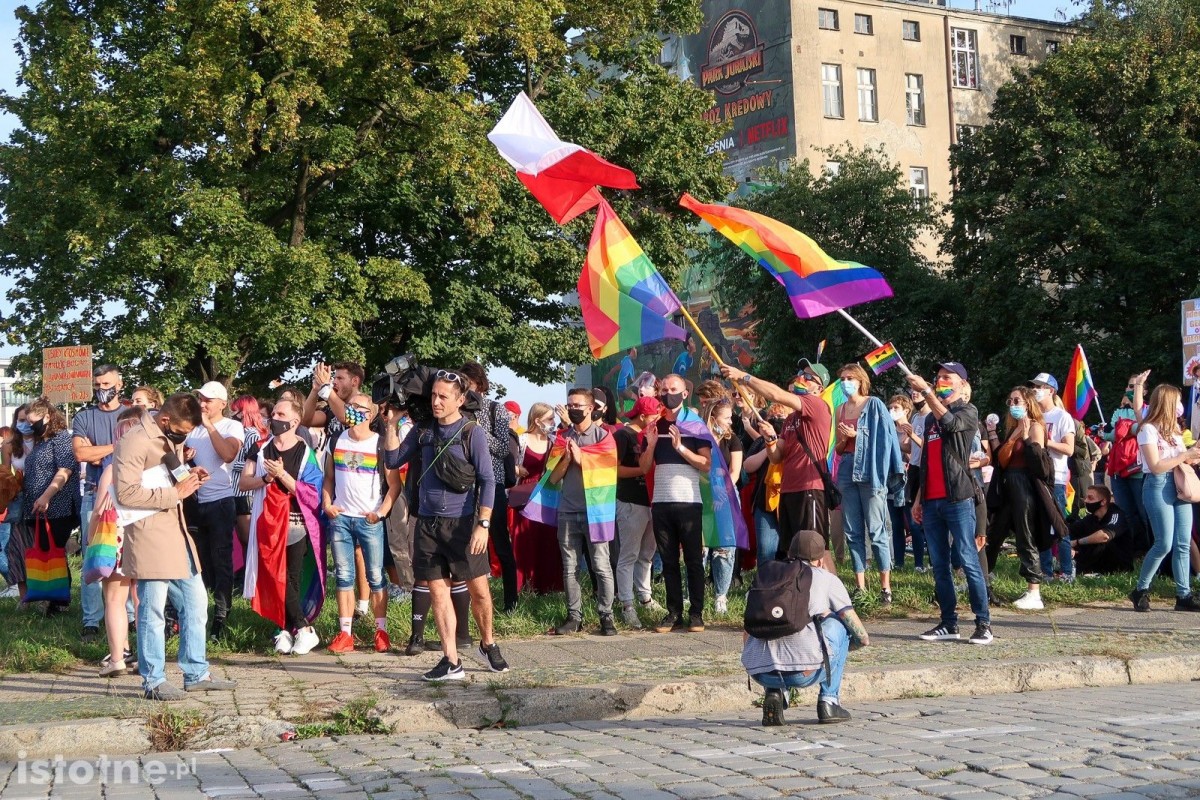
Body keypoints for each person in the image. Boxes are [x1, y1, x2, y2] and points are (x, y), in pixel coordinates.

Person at [383, 370, 509, 680]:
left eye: (444, 397)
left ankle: (488, 643)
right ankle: (451, 660)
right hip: (427, 524)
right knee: (438, 592)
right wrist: (389, 424)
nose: (436, 402)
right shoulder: (424, 431)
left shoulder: (471, 432)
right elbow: (393, 459)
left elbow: (488, 480)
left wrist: (483, 524)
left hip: (464, 525)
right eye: (434, 395)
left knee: (480, 591)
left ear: (461, 400)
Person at [116, 393, 236, 701]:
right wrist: (176, 493)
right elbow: (126, 493)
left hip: (177, 532)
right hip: (149, 534)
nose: (183, 437)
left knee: (196, 604)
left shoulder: (170, 438)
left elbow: (171, 476)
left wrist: (190, 475)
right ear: (165, 420)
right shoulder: (135, 441)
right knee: (153, 609)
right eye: (181, 430)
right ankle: (153, 681)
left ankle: (196, 674)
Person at [742, 530, 869, 726]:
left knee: (774, 628)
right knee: (838, 624)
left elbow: (748, 627)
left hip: (760, 671)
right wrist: (852, 644)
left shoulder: (768, 576)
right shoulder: (825, 578)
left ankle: (774, 692)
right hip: (804, 673)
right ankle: (829, 702)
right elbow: (856, 629)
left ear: (790, 554)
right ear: (820, 560)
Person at [908, 363, 993, 645]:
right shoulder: (930, 420)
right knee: (939, 565)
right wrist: (919, 499)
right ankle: (948, 623)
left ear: (962, 385)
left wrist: (927, 392)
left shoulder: (967, 412)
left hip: (958, 498)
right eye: (938, 378)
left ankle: (983, 623)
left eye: (948, 378)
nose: (941, 381)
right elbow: (927, 463)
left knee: (968, 560)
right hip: (932, 502)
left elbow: (952, 425)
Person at [721, 359, 834, 568]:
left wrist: (743, 376)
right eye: (801, 372)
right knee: (794, 551)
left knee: (816, 551)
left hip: (809, 488)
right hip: (789, 489)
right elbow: (776, 456)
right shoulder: (792, 419)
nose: (801, 377)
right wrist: (770, 439)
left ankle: (832, 596)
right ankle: (801, 595)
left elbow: (775, 395)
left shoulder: (817, 404)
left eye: (808, 376)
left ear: (820, 387)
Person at [240, 399, 325, 656]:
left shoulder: (304, 452)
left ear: (295, 422)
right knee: (271, 575)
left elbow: (312, 493)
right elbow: (243, 482)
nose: (274, 417)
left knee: (290, 578)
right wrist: (265, 477)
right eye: (273, 412)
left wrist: (282, 475)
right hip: (267, 522)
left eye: (281, 414)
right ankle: (291, 629)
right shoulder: (259, 448)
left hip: (295, 523)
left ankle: (298, 628)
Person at [323, 393, 401, 653]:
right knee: (343, 576)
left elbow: (394, 486)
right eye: (350, 406)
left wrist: (380, 513)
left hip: (369, 520)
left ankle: (382, 632)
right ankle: (345, 634)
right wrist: (327, 503)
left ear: (371, 414)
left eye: (359, 407)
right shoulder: (336, 440)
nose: (353, 410)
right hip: (341, 518)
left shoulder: (379, 444)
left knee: (376, 576)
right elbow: (329, 479)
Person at [639, 374, 711, 633]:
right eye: (664, 389)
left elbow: (706, 464)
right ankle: (673, 612)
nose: (668, 393)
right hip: (661, 501)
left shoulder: (695, 425)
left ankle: (697, 613)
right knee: (668, 560)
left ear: (684, 394)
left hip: (689, 501)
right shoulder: (654, 426)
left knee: (692, 559)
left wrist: (681, 447)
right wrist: (650, 446)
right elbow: (644, 467)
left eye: (674, 389)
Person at [984, 387, 1064, 610]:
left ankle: (1034, 591)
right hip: (1008, 485)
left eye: (1017, 400)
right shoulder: (1013, 428)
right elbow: (1001, 458)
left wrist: (1027, 436)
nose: (1012, 405)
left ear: (1028, 403)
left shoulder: (1036, 427)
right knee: (994, 533)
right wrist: (994, 432)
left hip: (1024, 486)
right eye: (1010, 401)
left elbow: (1039, 463)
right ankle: (982, 578)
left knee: (1025, 536)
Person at [546, 388, 618, 636]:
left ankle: (606, 616)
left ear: (591, 408)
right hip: (568, 510)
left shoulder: (604, 437)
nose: (573, 409)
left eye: (577, 405)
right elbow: (553, 478)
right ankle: (574, 616)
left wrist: (581, 458)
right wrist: (566, 459)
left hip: (596, 512)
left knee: (601, 565)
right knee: (570, 567)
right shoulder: (561, 437)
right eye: (569, 405)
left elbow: (608, 474)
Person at [832, 364, 903, 602]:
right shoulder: (839, 409)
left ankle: (885, 588)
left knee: (876, 528)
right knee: (852, 530)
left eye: (849, 377)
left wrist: (857, 435)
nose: (845, 382)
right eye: (842, 378)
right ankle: (860, 586)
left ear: (861, 380)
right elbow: (839, 450)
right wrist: (843, 439)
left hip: (871, 469)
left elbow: (886, 438)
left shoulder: (874, 405)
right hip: (847, 468)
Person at [1129, 384, 1200, 612]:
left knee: (1182, 543)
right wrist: (1184, 455)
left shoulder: (1175, 430)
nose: (1181, 406)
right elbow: (1156, 466)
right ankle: (1141, 589)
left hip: (1179, 484)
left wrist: (1192, 457)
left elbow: (1180, 460)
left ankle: (1184, 594)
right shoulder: (1148, 429)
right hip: (1158, 485)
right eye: (1178, 400)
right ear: (1168, 402)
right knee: (1164, 543)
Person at [87, 407, 145, 677]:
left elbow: (99, 510)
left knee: (114, 600)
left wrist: (89, 539)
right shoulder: (152, 469)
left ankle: (117, 659)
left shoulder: (113, 469)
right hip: (146, 538)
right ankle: (144, 656)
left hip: (117, 541)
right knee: (143, 599)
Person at [184, 381, 244, 641]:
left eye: (208, 399)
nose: (203, 404)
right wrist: (185, 458)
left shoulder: (232, 426)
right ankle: (195, 612)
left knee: (221, 560)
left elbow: (228, 454)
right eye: (200, 399)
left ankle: (221, 614)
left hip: (221, 500)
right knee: (196, 561)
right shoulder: (191, 427)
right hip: (193, 501)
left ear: (222, 403)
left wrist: (208, 425)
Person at [72, 365, 126, 641]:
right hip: (94, 493)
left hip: (128, 494)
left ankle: (126, 618)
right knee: (93, 554)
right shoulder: (84, 417)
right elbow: (81, 453)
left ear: (119, 384)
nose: (101, 390)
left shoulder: (130, 416)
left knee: (125, 558)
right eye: (97, 385)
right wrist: (117, 447)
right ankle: (91, 621)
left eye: (106, 384)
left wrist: (99, 451)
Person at [458, 362, 517, 613]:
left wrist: (478, 431)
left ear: (479, 384)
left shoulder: (496, 410)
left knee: (500, 544)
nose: (466, 390)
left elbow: (504, 448)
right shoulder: (457, 410)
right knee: (465, 547)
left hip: (492, 486)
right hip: (464, 488)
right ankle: (471, 603)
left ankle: (511, 601)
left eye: (468, 384)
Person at [23, 398, 79, 617]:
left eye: (33, 422)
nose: (30, 426)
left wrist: (46, 496)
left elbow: (65, 470)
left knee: (55, 552)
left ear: (47, 416)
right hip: (39, 508)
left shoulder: (62, 440)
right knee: (46, 552)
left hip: (59, 507)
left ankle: (59, 601)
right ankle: (49, 597)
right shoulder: (42, 441)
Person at [613, 397, 664, 628]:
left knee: (647, 554)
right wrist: (641, 471)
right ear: (643, 416)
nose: (658, 420)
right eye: (655, 415)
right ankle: (627, 604)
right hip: (631, 501)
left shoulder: (651, 433)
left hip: (652, 501)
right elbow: (614, 470)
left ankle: (645, 597)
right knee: (629, 555)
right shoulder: (623, 436)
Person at [509, 403, 563, 595]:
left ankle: (548, 586)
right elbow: (508, 462)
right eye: (549, 419)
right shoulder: (522, 439)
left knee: (548, 541)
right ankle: (525, 587)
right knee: (525, 542)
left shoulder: (553, 440)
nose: (552, 422)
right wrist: (516, 469)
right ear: (537, 420)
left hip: (548, 496)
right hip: (525, 497)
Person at [1027, 373, 1075, 581]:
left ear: (1051, 391)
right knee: (1040, 525)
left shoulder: (1061, 416)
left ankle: (1066, 570)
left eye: (1040, 386)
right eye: (1034, 386)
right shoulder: (1033, 416)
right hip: (1035, 476)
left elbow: (1069, 449)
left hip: (1055, 477)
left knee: (1058, 523)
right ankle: (1045, 570)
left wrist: (1046, 442)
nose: (1035, 389)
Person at [705, 398, 743, 614]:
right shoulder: (700, 439)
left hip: (727, 495)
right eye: (726, 417)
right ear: (713, 418)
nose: (730, 422)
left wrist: (723, 492)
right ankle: (693, 595)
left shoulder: (733, 440)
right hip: (702, 494)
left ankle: (721, 595)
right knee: (701, 547)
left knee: (724, 548)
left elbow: (735, 472)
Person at [230, 395, 269, 558]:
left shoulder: (252, 434)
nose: (232, 414)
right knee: (242, 540)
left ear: (243, 411)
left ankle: (254, 576)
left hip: (246, 494)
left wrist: (230, 464)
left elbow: (254, 465)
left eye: (236, 410)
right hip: (235, 490)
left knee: (249, 540)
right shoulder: (237, 431)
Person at [0, 406, 32, 600]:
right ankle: (23, 595)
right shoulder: (9, 446)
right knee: (16, 547)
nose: (24, 424)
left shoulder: (43, 442)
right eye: (20, 420)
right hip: (19, 500)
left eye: (27, 420)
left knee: (39, 545)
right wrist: (13, 483)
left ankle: (48, 595)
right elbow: (4, 474)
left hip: (43, 498)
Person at [1070, 486, 1135, 575]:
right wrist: (1070, 547)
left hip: (1118, 563)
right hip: (1099, 561)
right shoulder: (1092, 518)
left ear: (1103, 501)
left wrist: (1077, 542)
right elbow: (1070, 531)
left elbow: (1104, 536)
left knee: (1098, 541)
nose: (1086, 501)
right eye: (1086, 497)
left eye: (1090, 498)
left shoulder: (1116, 515)